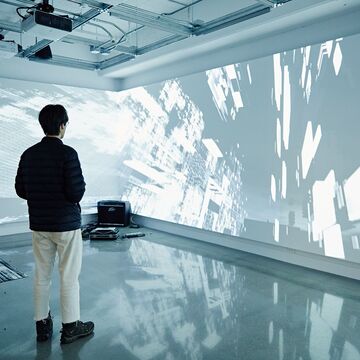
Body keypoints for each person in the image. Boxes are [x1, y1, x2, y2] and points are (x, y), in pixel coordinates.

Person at [15, 104, 94, 344]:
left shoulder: (28, 154)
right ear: (62, 126)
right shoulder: (68, 153)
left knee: (42, 275)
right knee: (69, 276)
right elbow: (76, 193)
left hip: (40, 225)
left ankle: (42, 326)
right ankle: (71, 327)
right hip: (66, 226)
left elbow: (20, 190)